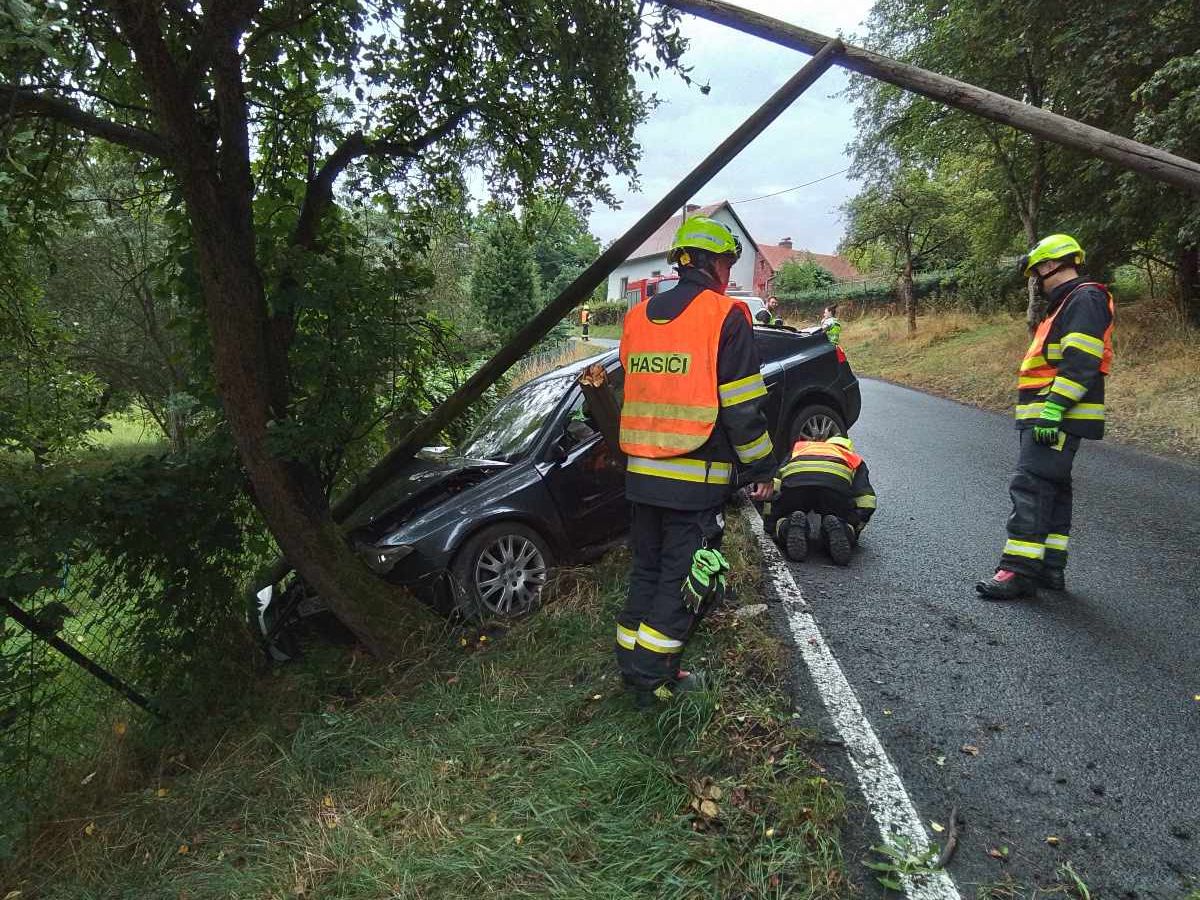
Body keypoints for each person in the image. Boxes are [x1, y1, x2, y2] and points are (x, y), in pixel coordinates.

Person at [615, 215, 776, 706]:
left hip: (641, 475)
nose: (730, 271)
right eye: (728, 261)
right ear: (711, 263)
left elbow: (635, 385)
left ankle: (632, 665)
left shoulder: (637, 317)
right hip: (694, 478)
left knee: (646, 571)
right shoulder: (725, 315)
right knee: (682, 580)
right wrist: (762, 467)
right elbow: (743, 405)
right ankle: (652, 683)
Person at [976, 234, 1114, 600]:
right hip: (1054, 414)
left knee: (1031, 486)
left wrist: (1053, 409)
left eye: (1037, 272)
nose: (1037, 280)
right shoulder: (1074, 301)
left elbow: (1081, 360)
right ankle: (1050, 567)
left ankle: (1018, 571)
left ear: (1051, 265)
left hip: (1055, 415)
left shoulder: (1084, 298)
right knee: (1053, 489)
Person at [760, 435, 876, 565]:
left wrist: (771, 522)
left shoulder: (799, 449)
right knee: (841, 518)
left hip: (797, 483)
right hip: (833, 487)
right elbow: (867, 499)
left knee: (784, 516)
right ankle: (840, 528)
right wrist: (855, 526)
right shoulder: (852, 457)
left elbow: (775, 484)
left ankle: (789, 526)